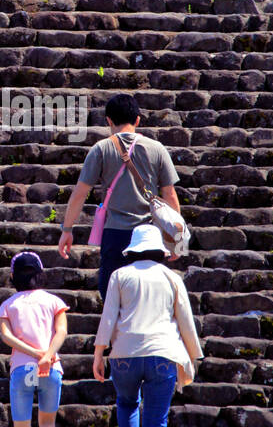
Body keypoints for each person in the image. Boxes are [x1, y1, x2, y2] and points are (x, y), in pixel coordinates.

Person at [93, 225, 202, 427]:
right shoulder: (171, 278)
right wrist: (193, 355)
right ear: (159, 251)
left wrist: (99, 353)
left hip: (125, 354)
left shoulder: (120, 275)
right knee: (156, 426)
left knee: (127, 402)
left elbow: (108, 317)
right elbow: (186, 321)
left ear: (134, 249)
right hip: (163, 355)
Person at [58, 93, 181, 300]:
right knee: (148, 297)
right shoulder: (157, 149)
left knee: (113, 296)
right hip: (149, 233)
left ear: (109, 121)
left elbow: (80, 194)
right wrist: (176, 239)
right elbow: (169, 195)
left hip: (115, 233)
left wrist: (67, 230)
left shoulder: (101, 149)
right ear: (138, 120)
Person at [0, 251, 69, 427]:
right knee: (47, 421)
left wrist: (33, 353)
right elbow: (61, 331)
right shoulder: (54, 301)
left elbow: (7, 337)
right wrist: (47, 355)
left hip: (22, 370)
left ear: (13, 276)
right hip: (50, 369)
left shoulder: (9, 304)